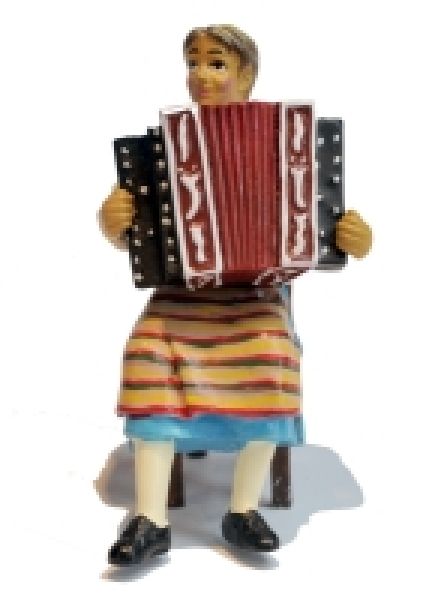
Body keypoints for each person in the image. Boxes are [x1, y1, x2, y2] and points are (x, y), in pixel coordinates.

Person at [99, 24, 372, 566]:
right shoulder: (162, 150)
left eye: (217, 63)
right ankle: (150, 518)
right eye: (193, 62)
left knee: (271, 356)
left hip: (256, 298)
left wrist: (352, 237)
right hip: (181, 297)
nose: (201, 74)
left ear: (246, 75)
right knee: (147, 351)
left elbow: (325, 226)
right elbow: (140, 234)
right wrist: (113, 222)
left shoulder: (290, 140)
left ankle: (242, 510)